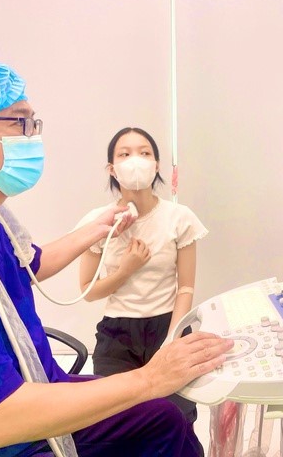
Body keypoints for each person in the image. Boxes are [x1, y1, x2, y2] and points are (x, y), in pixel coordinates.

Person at [0, 55, 232, 457]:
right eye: (19, 123)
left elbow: (28, 265)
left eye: (34, 124)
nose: (33, 138)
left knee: (163, 418)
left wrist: (98, 229)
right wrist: (150, 378)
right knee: (152, 404)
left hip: (33, 382)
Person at [75, 127, 208, 427]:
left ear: (156, 165)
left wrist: (172, 340)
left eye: (144, 152)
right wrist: (125, 270)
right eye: (125, 154)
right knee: (117, 422)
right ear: (112, 168)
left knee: (176, 420)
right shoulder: (98, 222)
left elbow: (185, 288)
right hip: (117, 334)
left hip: (168, 325)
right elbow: (88, 291)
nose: (135, 160)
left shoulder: (179, 218)